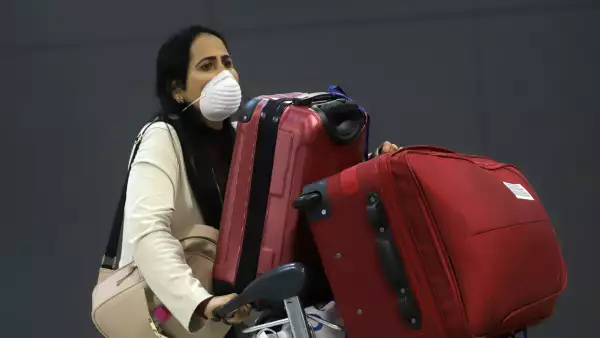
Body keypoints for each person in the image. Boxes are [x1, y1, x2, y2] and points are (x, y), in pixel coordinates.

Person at [118, 25, 399, 336]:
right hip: (176, 316)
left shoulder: (244, 136)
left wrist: (372, 165)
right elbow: (148, 232)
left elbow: (304, 192)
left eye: (226, 62)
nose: (223, 74)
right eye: (206, 65)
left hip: (234, 316)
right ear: (177, 89)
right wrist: (200, 302)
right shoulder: (163, 137)